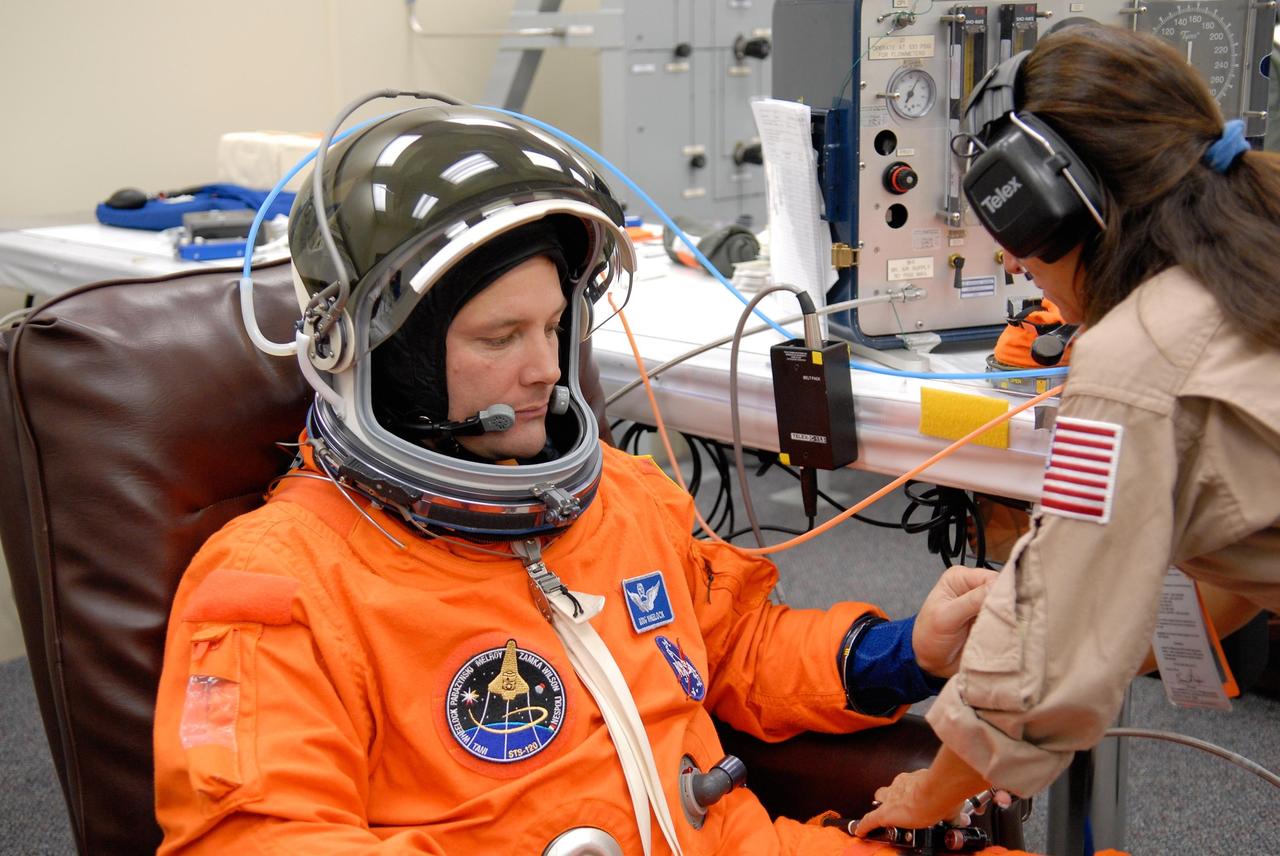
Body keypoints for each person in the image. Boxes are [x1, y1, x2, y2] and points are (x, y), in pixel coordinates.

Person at [152, 102, 1006, 855]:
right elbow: (255, 833)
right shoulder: (276, 581)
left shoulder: (627, 498)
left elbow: (734, 647)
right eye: (498, 337)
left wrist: (908, 652)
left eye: (554, 328)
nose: (544, 372)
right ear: (386, 354)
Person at [858, 25, 1280, 837]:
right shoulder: (1252, 252)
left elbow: (1043, 657)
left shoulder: (1133, 360)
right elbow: (1239, 536)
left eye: (1013, 235)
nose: (1014, 265)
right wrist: (1106, 617)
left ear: (1055, 203)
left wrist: (928, 792)